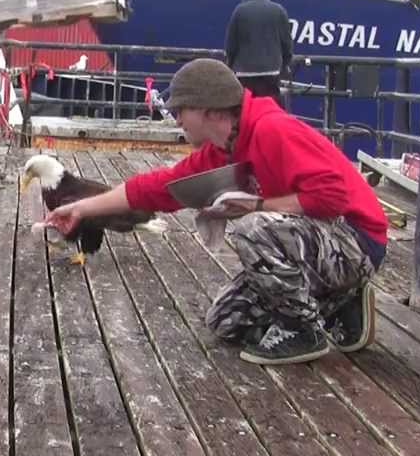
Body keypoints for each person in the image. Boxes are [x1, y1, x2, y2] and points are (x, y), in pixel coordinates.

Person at [43, 59, 388, 365]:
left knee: (252, 228)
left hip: (357, 240)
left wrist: (258, 206)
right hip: (319, 245)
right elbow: (155, 187)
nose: (176, 119)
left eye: (181, 110)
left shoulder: (272, 130)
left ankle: (303, 331)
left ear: (211, 110)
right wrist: (80, 209)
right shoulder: (224, 149)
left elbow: (331, 197)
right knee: (225, 321)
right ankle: (340, 301)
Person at [224, 0, 293, 107]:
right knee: (271, 107)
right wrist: (284, 65)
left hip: (245, 72)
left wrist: (230, 65)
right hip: (272, 71)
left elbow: (231, 44)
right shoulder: (278, 10)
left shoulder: (240, 11)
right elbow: (287, 43)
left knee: (246, 107)